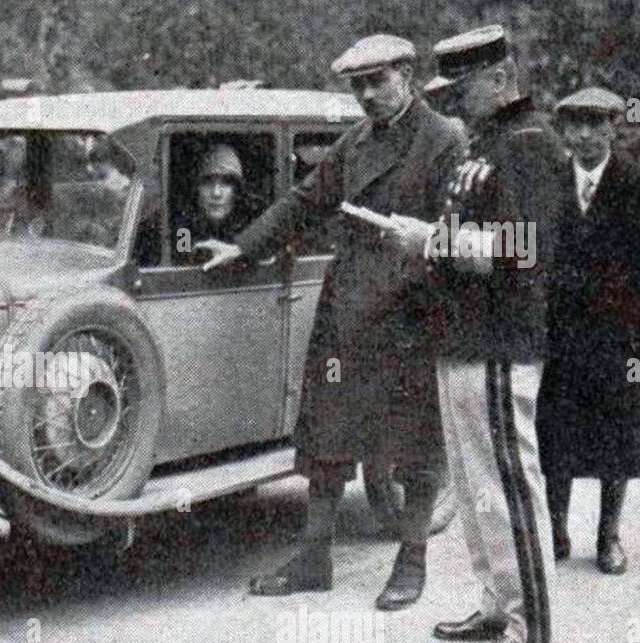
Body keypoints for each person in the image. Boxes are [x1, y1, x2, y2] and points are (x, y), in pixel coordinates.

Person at [199, 34, 467, 608]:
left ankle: (411, 559)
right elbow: (302, 202)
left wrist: (424, 250)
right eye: (358, 86)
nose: (368, 95)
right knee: (326, 433)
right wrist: (244, 248)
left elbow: (458, 232)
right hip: (349, 302)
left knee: (414, 443)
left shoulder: (445, 138)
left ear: (407, 75)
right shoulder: (356, 141)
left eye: (378, 82)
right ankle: (313, 557)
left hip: (413, 308)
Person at [386, 25, 568, 643]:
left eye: (461, 89)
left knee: (506, 486)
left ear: (499, 78)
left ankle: (531, 631)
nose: (454, 102)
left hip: (497, 337)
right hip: (464, 337)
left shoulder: (529, 146)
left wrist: (430, 243)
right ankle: (497, 602)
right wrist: (435, 234)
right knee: (472, 486)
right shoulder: (491, 141)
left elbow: (524, 250)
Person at [536, 87, 640, 576]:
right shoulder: (549, 183)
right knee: (554, 433)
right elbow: (532, 252)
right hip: (560, 337)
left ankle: (608, 535)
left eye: (596, 124)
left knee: (617, 434)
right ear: (564, 130)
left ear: (614, 127)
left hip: (622, 339)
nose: (584, 135)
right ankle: (555, 530)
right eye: (575, 125)